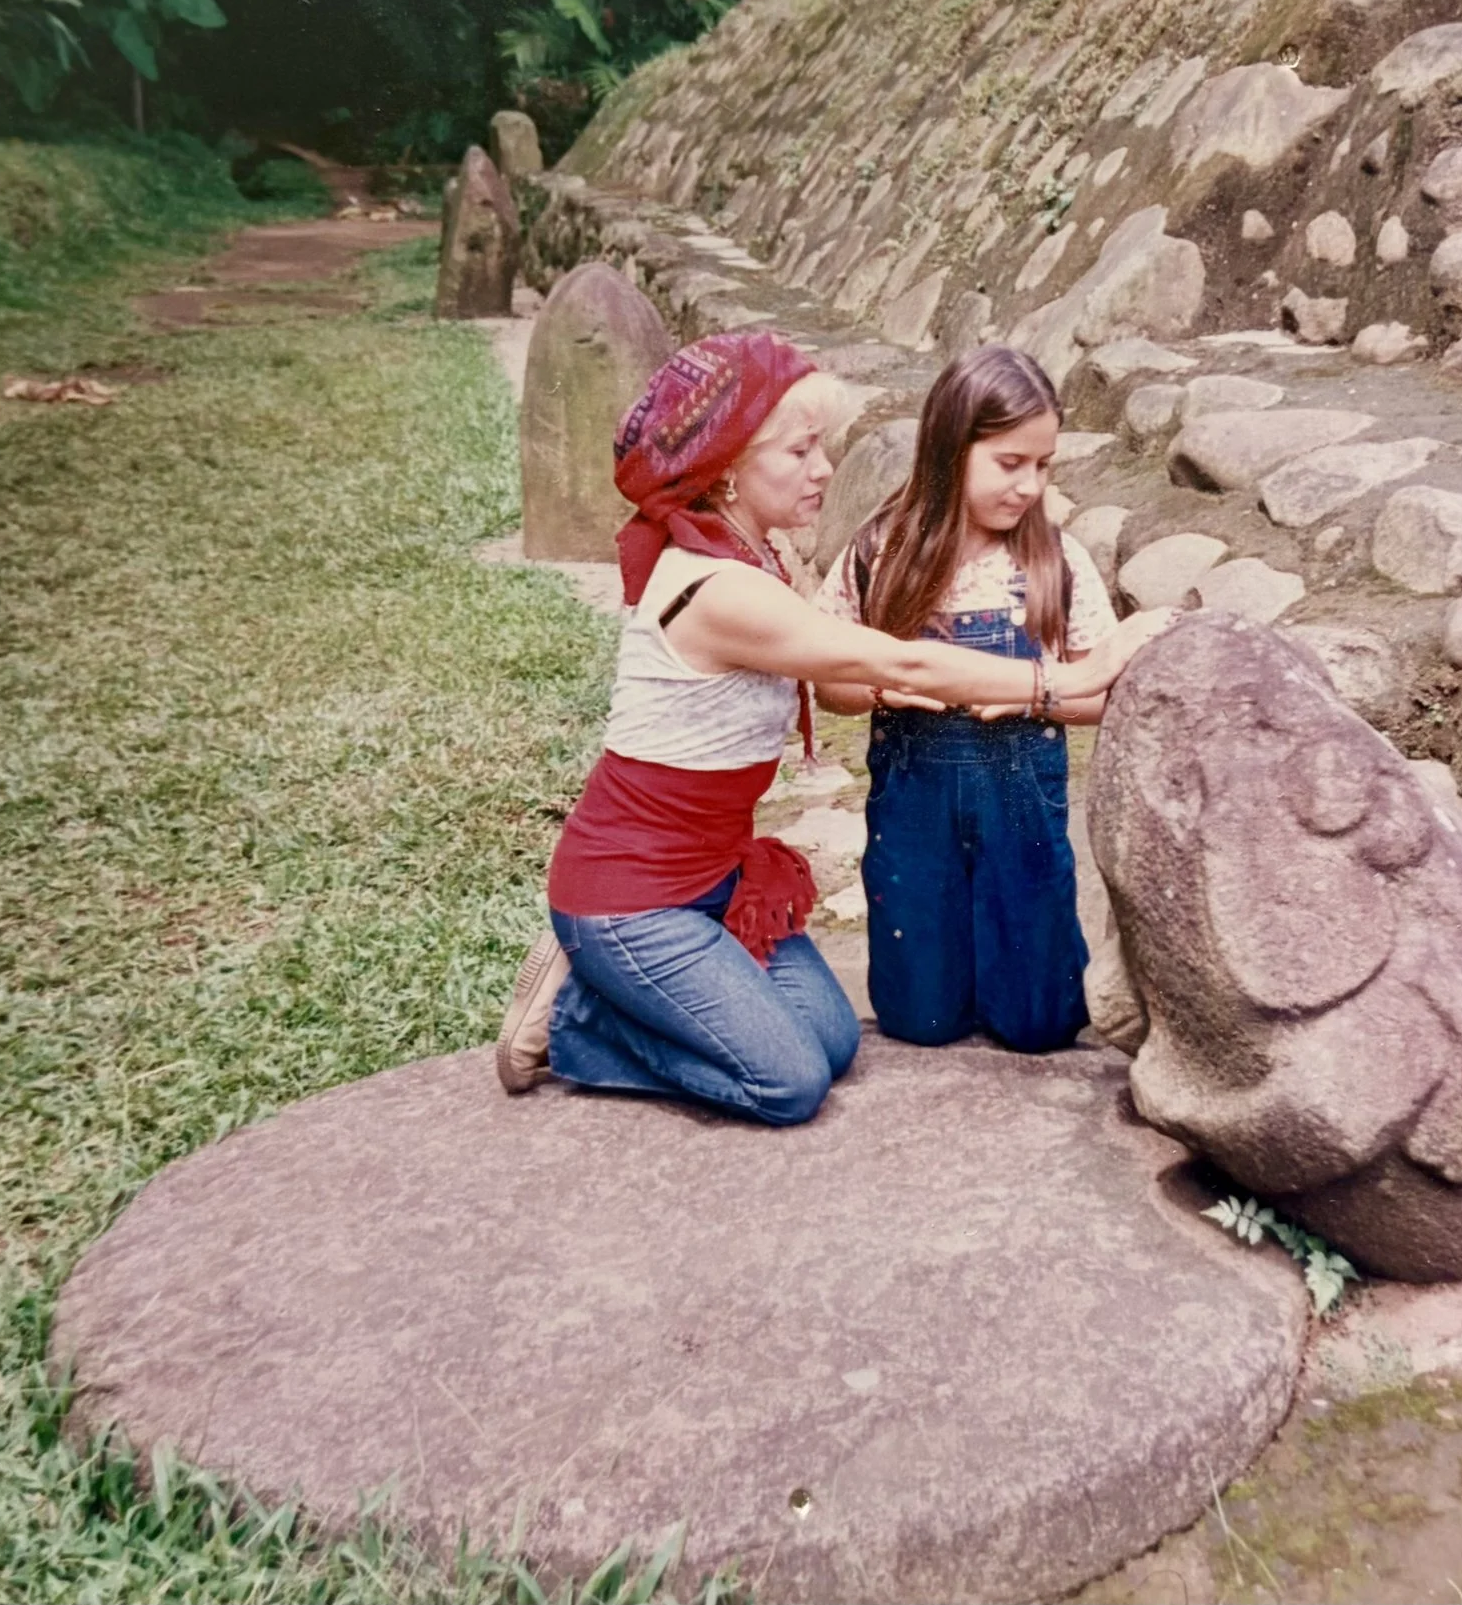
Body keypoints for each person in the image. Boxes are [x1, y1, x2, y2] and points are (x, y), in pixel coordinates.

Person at [494, 331, 1167, 1125]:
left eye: (822, 448)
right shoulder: (716, 589)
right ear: (727, 468)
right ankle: (578, 1012)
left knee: (832, 1034)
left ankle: (657, 986)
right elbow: (901, 666)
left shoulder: (751, 556)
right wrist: (1070, 678)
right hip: (636, 893)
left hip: (716, 880)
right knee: (790, 1079)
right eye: (801, 450)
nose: (823, 469)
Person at [814, 346, 1112, 1055]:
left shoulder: (1057, 564)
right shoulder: (880, 553)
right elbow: (828, 682)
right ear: (952, 448)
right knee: (920, 1019)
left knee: (1040, 1024)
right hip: (915, 808)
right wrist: (878, 686)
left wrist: (1039, 703)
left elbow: (1099, 691)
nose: (1028, 486)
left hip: (1021, 808)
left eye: (1042, 466)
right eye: (1010, 463)